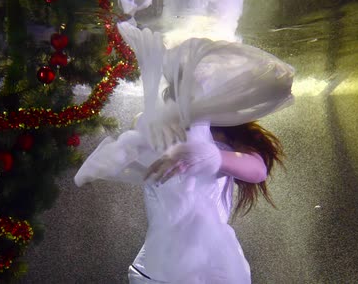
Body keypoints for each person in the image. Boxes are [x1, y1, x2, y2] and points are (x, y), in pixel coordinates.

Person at [74, 22, 294, 283]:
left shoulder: (229, 135)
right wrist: (116, 158)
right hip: (159, 269)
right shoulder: (151, 124)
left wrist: (213, 157)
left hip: (215, 268)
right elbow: (140, 158)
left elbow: (257, 170)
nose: (198, 90)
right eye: (192, 81)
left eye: (206, 84)